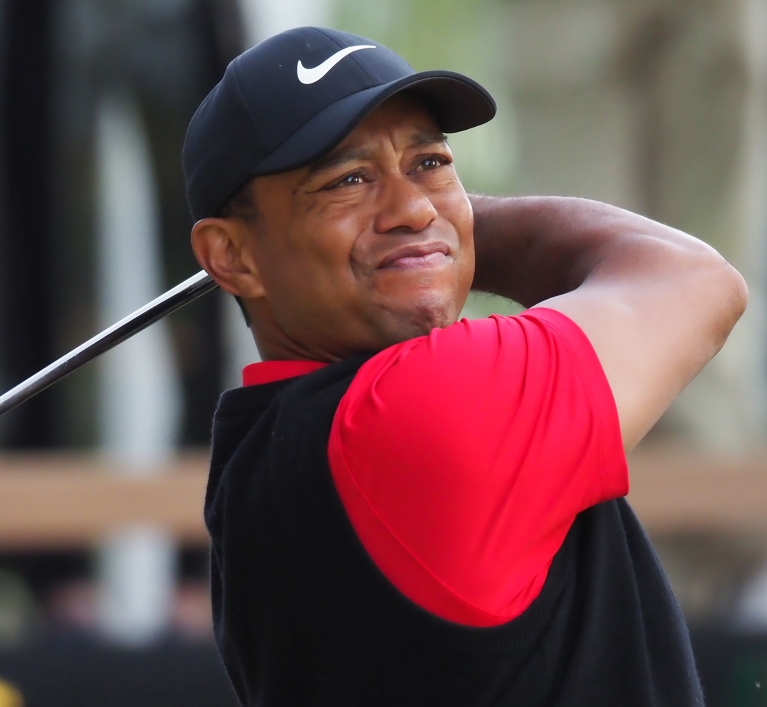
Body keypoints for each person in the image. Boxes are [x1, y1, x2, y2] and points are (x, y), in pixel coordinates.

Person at [184, 27, 746, 707]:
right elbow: (694, 279)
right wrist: (443, 234)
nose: (414, 205)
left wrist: (430, 235)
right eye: (347, 181)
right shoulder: (412, 409)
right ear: (231, 256)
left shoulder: (255, 454)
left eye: (430, 163)